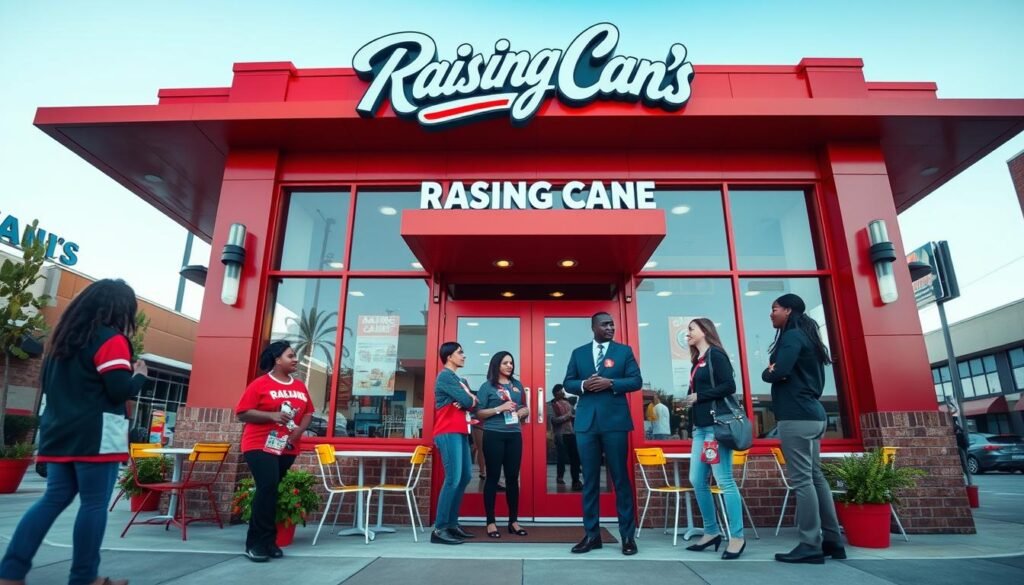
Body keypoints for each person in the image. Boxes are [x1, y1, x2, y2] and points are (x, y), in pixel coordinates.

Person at [0, 279, 147, 585]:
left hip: (58, 433)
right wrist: (139, 377)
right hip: (96, 435)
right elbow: (118, 390)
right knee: (94, 504)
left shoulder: (60, 345)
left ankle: (10, 573)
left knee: (52, 499)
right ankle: (84, 577)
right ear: (120, 309)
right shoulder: (111, 340)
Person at [762, 293, 844, 564]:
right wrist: (775, 370)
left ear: (788, 310)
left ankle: (810, 544)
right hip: (814, 415)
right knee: (815, 477)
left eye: (774, 308)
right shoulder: (807, 337)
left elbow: (778, 371)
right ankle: (833, 540)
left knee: (802, 480)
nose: (771, 313)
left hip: (796, 416)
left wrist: (767, 372)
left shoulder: (792, 337)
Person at [563, 312, 643, 556]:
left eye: (612, 324)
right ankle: (592, 536)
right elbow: (568, 383)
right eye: (605, 324)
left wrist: (612, 383)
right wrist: (584, 385)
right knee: (589, 481)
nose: (610, 327)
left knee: (620, 479)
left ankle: (627, 537)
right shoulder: (578, 353)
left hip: (615, 423)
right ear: (594, 327)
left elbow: (636, 381)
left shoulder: (623, 352)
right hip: (586, 424)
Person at [235, 340, 313, 562]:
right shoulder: (260, 384)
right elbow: (242, 413)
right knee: (267, 487)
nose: (295, 359)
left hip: (286, 446)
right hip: (259, 444)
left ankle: (269, 542)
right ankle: (255, 544)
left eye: (295, 355)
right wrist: (272, 416)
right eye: (291, 356)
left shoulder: (300, 386)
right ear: (277, 360)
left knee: (271, 491)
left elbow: (308, 412)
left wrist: (299, 431)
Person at [679, 318, 746, 559]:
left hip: (717, 428)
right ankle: (711, 532)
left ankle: (737, 537)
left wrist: (700, 396)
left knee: (724, 479)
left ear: (704, 331)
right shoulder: (697, 361)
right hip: (701, 428)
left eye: (691, 329)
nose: (687, 333)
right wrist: (691, 401)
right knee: (696, 479)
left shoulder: (716, 355)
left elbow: (729, 385)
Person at [474, 351, 529, 538]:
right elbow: (479, 413)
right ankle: (491, 522)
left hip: (514, 435)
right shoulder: (487, 386)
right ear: (496, 365)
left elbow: (523, 407)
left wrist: (524, 411)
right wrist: (499, 408)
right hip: (494, 435)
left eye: (511, 363)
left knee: (513, 478)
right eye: (505, 363)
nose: (509, 366)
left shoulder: (517, 385)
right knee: (493, 477)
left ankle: (513, 521)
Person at [431, 341, 478, 545]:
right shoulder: (445, 377)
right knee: (453, 478)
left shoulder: (460, 380)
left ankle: (452, 524)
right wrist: (468, 399)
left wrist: (469, 399)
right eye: (460, 352)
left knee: (465, 476)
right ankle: (440, 528)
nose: (464, 355)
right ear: (449, 356)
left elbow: (474, 404)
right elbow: (468, 401)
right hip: (447, 431)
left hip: (461, 431)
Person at [549, 384, 582, 491]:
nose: (563, 393)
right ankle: (560, 477)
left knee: (575, 458)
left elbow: (573, 414)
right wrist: (568, 416)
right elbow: (554, 420)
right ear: (555, 393)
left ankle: (576, 481)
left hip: (571, 433)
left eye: (563, 391)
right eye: (561, 391)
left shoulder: (568, 402)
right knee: (561, 457)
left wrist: (573, 416)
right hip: (561, 434)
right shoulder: (552, 404)